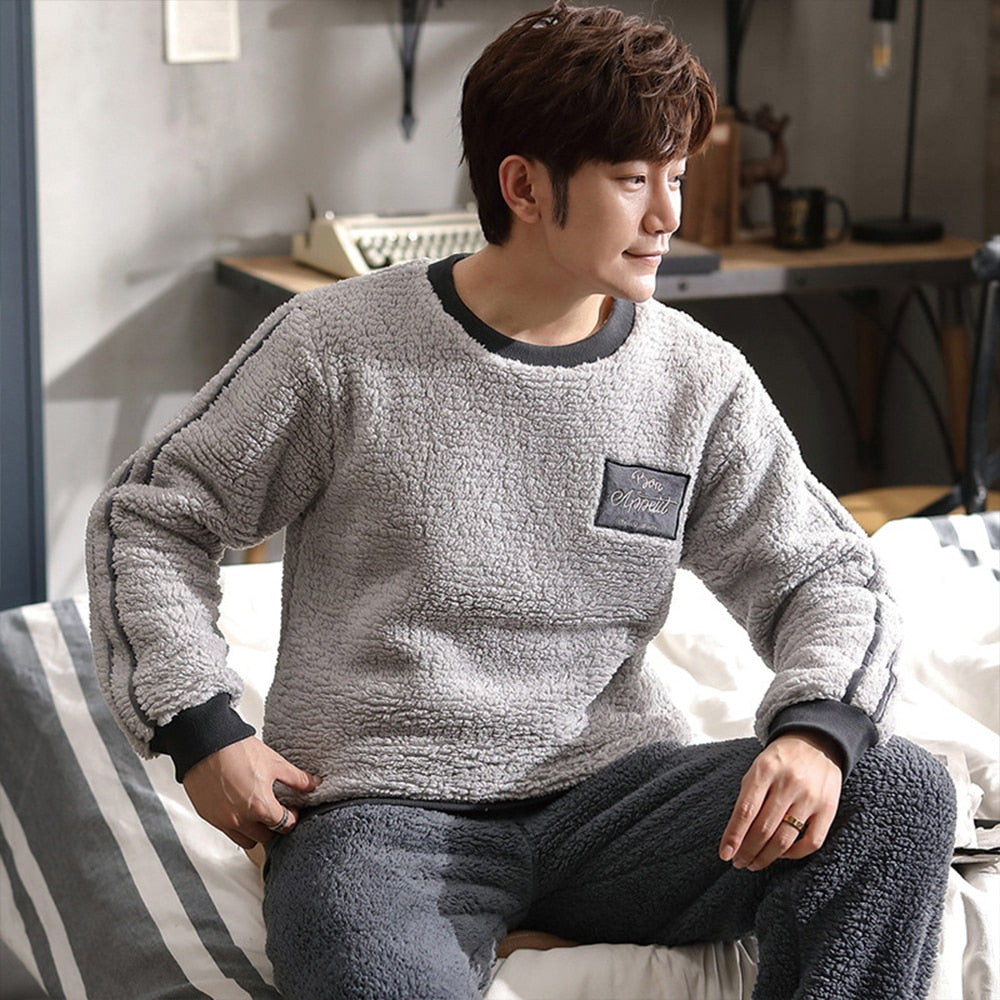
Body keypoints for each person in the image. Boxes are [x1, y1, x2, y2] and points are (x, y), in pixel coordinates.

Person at [86, 3, 955, 998]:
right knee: (367, 967)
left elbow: (825, 573)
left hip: (618, 804)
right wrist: (204, 731)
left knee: (896, 791)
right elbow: (150, 518)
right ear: (525, 186)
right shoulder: (335, 347)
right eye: (632, 180)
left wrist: (814, 731)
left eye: (675, 177)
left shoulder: (696, 378)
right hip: (384, 819)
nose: (668, 216)